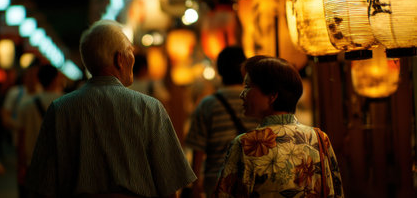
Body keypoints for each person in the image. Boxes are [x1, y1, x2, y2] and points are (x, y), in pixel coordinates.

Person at [26, 19, 197, 197]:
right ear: (119, 59)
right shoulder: (149, 108)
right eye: (130, 51)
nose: (133, 57)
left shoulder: (59, 110)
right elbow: (169, 182)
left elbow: (42, 184)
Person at [214, 56, 344, 198]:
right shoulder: (319, 138)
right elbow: (334, 193)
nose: (241, 94)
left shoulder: (246, 144)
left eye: (247, 87)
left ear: (272, 95)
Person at [184, 46, 260, 198]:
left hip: (216, 180)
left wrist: (196, 184)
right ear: (244, 69)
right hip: (252, 176)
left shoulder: (208, 104)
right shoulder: (256, 101)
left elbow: (198, 149)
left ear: (219, 70)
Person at [16, 64, 64, 198]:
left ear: (39, 80)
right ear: (56, 79)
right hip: (60, 166)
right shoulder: (68, 102)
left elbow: (21, 139)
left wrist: (21, 167)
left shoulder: (26, 105)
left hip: (34, 165)